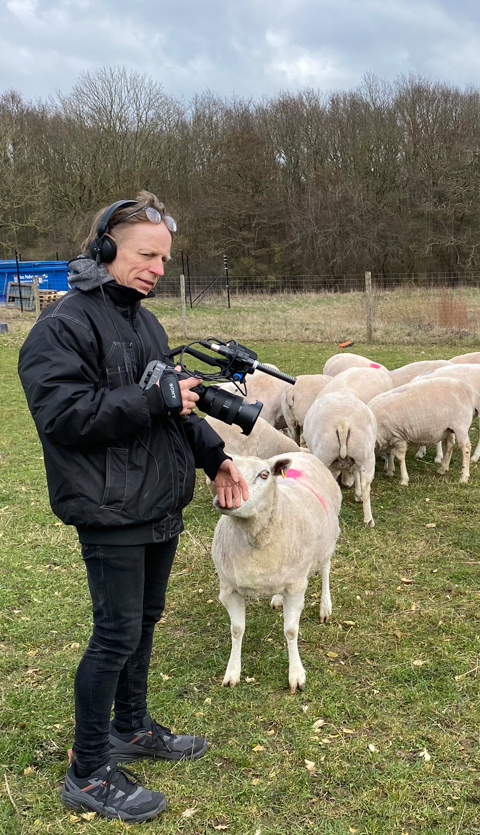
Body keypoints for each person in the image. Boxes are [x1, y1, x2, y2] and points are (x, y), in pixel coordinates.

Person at [18, 192, 248, 823]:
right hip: (109, 504)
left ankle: (131, 726)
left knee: (143, 622)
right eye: (147, 254)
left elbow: (175, 405)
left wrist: (215, 456)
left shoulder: (145, 322)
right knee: (115, 633)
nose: (157, 268)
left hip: (156, 500)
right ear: (104, 248)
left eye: (164, 258)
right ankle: (88, 770)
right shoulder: (63, 325)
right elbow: (63, 415)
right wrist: (153, 401)